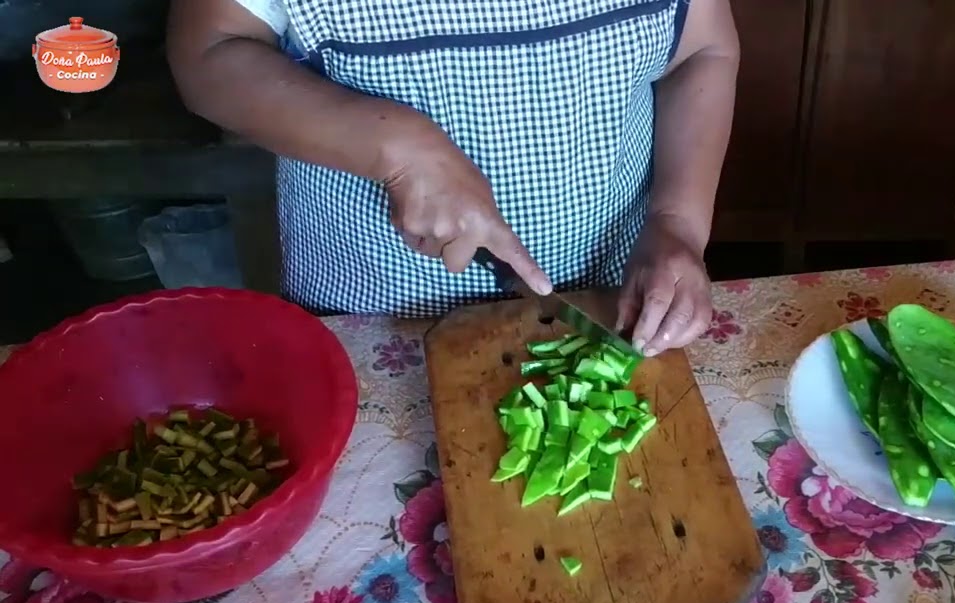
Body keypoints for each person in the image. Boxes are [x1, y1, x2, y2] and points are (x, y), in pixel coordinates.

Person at [167, 0, 738, 356]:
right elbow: (206, 54)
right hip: (379, 310)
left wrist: (676, 224)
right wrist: (398, 150)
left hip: (607, 296)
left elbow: (703, 50)